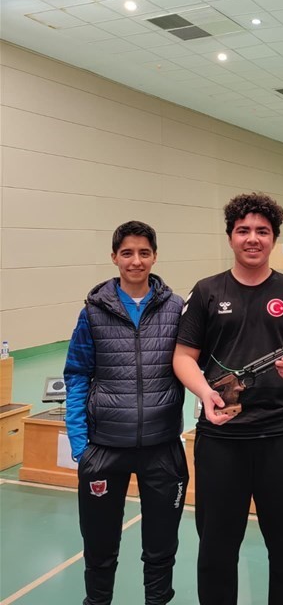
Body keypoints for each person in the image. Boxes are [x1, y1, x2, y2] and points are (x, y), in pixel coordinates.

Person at [173, 192, 283, 605]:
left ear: (274, 238)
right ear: (230, 237)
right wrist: (205, 392)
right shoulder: (206, 292)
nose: (253, 238)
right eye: (243, 230)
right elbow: (183, 356)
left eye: (262, 231)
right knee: (216, 551)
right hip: (221, 441)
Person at [64, 221, 188, 605]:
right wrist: (81, 444)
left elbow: (192, 364)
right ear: (114, 257)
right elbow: (77, 375)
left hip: (162, 447)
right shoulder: (92, 313)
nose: (136, 261)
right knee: (99, 550)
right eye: (127, 253)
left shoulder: (177, 309)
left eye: (144, 253)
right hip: (104, 448)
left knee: (161, 550)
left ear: (155, 256)